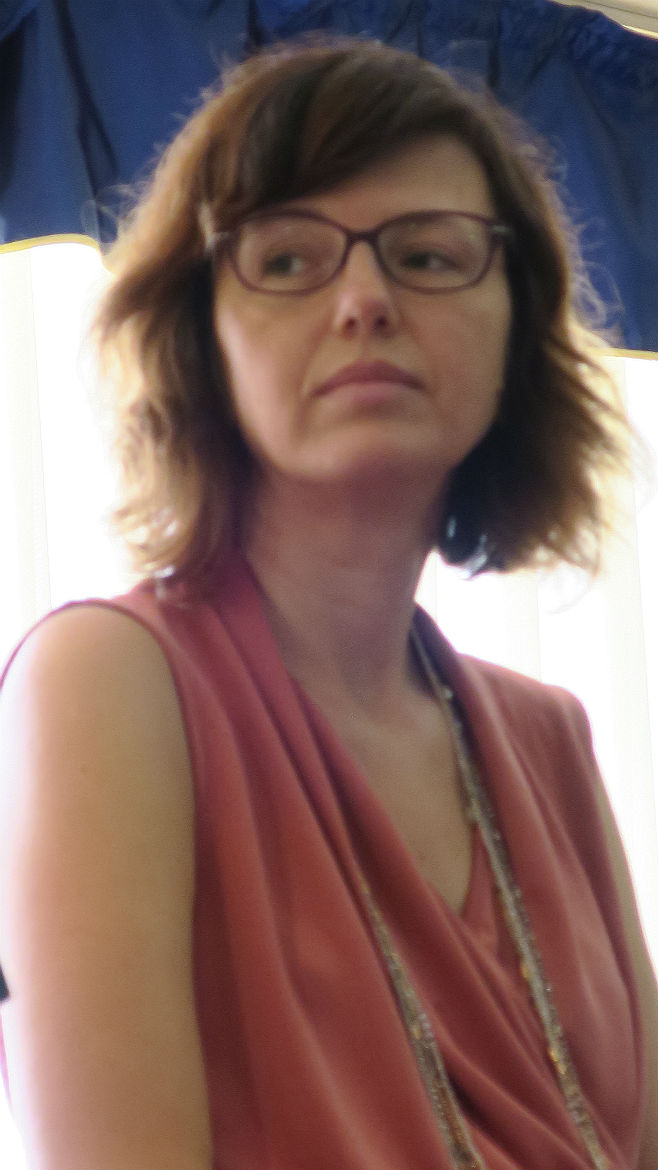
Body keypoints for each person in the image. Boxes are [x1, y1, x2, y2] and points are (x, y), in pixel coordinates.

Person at [0, 34, 655, 1170]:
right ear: (200, 337)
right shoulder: (106, 681)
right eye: (288, 260)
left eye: (429, 256)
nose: (363, 301)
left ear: (517, 330)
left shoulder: (553, 738)